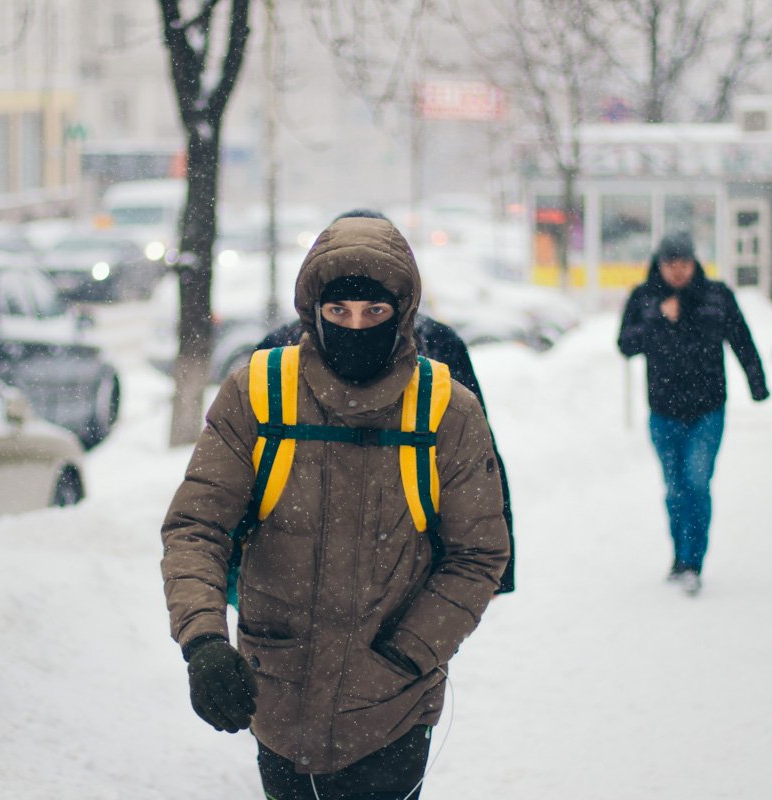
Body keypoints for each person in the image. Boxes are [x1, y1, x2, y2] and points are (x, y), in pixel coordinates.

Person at [160, 215, 510, 799]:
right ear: (312, 309)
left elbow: (478, 555)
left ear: (401, 313)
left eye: (373, 313)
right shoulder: (259, 392)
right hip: (277, 694)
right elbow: (197, 527)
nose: (355, 326)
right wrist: (203, 643)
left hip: (394, 709)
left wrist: (404, 656)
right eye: (338, 311)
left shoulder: (447, 411)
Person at [256, 208, 516, 595]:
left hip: (396, 586)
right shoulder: (276, 356)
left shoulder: (280, 345)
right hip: (301, 589)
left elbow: (474, 455)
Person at [617, 232, 769, 596]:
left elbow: (741, 338)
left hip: (707, 409)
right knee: (674, 489)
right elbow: (625, 344)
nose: (678, 272)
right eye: (671, 265)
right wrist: (656, 318)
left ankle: (693, 561)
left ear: (694, 262)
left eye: (684, 264)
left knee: (697, 482)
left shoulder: (716, 296)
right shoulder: (644, 298)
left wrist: (757, 382)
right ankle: (679, 556)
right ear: (660, 265)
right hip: (663, 411)